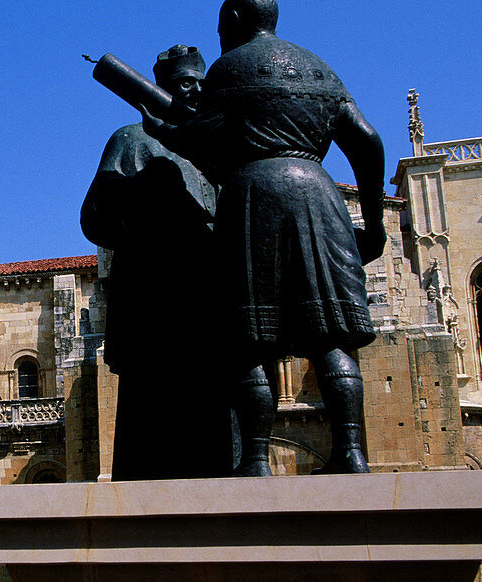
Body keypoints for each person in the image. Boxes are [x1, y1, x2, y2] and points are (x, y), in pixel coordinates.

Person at [140, 0, 386, 475]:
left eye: (219, 30)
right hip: (319, 194)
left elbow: (201, 138)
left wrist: (164, 130)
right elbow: (367, 139)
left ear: (231, 22)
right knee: (331, 335)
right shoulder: (317, 67)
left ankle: (254, 459)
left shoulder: (231, 68)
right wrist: (373, 221)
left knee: (246, 339)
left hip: (253, 196)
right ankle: (352, 453)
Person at [82, 44, 235, 479]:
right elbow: (94, 220)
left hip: (208, 302)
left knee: (216, 428)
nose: (197, 91)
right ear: (162, 87)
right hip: (152, 299)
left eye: (203, 83)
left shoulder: (214, 149)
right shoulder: (132, 139)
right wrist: (145, 196)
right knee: (150, 425)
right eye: (187, 83)